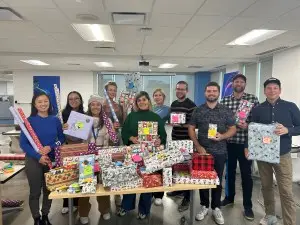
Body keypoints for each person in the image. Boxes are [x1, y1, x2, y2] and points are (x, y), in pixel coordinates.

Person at [245, 78, 300, 225]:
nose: (272, 90)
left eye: (275, 88)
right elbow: (252, 130)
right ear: (264, 91)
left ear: (280, 90)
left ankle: (290, 222)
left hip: (283, 155)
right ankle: (270, 216)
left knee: (286, 191)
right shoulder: (257, 109)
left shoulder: (290, 107)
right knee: (266, 187)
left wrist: (288, 130)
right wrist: (247, 146)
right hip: (263, 156)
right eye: (269, 88)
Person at [188, 82, 236, 225]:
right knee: (202, 180)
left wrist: (222, 136)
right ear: (205, 93)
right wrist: (197, 146)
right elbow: (191, 128)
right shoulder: (198, 110)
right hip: (202, 152)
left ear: (218, 93)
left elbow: (233, 128)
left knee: (217, 180)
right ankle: (204, 206)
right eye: (209, 91)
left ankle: (216, 207)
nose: (211, 93)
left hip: (220, 151)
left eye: (214, 91)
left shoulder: (226, 110)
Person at [117, 91, 167, 219]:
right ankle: (126, 206)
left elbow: (163, 135)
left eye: (144, 99)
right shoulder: (131, 116)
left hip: (150, 154)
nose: (142, 102)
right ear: (136, 103)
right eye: (139, 100)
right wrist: (131, 138)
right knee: (132, 179)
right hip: (134, 153)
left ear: (148, 101)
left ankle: (144, 210)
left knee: (148, 181)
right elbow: (124, 133)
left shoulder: (156, 117)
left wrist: (159, 140)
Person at [20, 93, 65, 225]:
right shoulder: (28, 121)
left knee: (48, 189)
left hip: (51, 159)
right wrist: (38, 156)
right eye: (39, 102)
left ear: (49, 103)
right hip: (34, 160)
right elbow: (24, 143)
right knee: (35, 191)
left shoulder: (55, 120)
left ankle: (45, 215)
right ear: (34, 104)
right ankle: (36, 218)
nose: (43, 104)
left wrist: (50, 147)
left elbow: (61, 139)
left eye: (46, 101)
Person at [220, 74, 259, 220]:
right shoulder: (225, 100)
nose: (239, 84)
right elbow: (221, 120)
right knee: (229, 173)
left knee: (246, 175)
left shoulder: (252, 99)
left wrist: (248, 125)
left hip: (245, 144)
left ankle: (248, 206)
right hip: (229, 143)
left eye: (242, 81)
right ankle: (229, 198)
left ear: (245, 84)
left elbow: (258, 121)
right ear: (232, 83)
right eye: (236, 81)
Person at [77, 95, 113, 224]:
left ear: (101, 106)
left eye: (98, 104)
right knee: (85, 183)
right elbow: (76, 139)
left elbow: (113, 139)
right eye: (93, 104)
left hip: (103, 154)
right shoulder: (83, 120)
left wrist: (114, 132)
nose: (95, 107)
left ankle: (105, 210)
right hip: (86, 156)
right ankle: (83, 212)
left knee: (103, 183)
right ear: (89, 106)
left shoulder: (107, 120)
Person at [167, 81, 196, 213]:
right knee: (177, 166)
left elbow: (193, 125)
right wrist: (173, 123)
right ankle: (178, 190)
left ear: (187, 91)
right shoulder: (173, 104)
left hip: (187, 142)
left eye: (182, 89)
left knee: (187, 169)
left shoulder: (191, 105)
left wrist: (180, 124)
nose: (179, 91)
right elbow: (173, 120)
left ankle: (187, 197)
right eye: (178, 89)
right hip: (175, 139)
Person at [60, 91, 85, 214]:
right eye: (71, 99)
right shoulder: (62, 115)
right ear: (68, 101)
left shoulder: (84, 115)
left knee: (79, 176)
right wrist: (62, 128)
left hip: (80, 149)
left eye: (76, 98)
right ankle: (66, 202)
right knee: (68, 176)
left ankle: (76, 203)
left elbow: (85, 134)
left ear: (80, 100)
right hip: (67, 149)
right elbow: (57, 134)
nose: (73, 100)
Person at [102, 81, 126, 206]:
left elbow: (123, 122)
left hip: (116, 138)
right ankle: (104, 195)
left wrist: (118, 125)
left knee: (117, 165)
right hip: (104, 140)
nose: (112, 92)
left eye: (114, 90)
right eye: (110, 90)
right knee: (105, 166)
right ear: (105, 91)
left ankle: (117, 194)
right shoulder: (100, 105)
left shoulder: (118, 106)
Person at [152, 88, 170, 206]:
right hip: (148, 141)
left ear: (163, 97)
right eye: (155, 95)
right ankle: (149, 191)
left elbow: (174, 120)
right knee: (149, 166)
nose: (158, 97)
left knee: (160, 166)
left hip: (161, 140)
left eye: (160, 95)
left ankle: (159, 195)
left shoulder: (168, 109)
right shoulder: (149, 108)